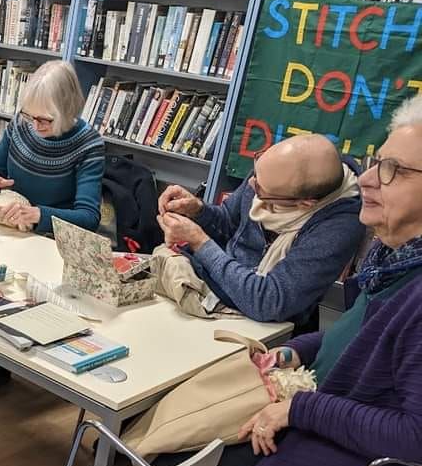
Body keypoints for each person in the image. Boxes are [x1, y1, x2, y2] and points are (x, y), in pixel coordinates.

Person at [163, 95, 422, 466]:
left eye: (391, 171)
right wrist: (295, 351)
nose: (367, 180)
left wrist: (299, 410)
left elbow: (415, 438)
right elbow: (356, 338)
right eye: (376, 160)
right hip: (335, 413)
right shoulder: (393, 256)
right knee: (190, 445)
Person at [0, 60, 105, 397]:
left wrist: (37, 214)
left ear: (68, 110)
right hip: (3, 229)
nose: (35, 125)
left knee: (10, 288)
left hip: (44, 241)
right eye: (30, 116)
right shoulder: (20, 127)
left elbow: (88, 217)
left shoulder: (88, 146)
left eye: (45, 119)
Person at [156, 133, 364, 324]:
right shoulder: (271, 170)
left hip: (260, 324)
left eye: (261, 191)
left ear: (305, 203)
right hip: (211, 290)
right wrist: (198, 210)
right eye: (256, 171)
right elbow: (228, 223)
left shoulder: (339, 229)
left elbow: (269, 302)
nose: (252, 184)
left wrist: (199, 242)